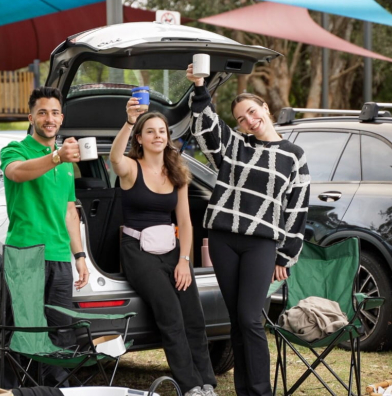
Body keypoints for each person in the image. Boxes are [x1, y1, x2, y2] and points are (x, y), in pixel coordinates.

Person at [187, 65, 310, 396]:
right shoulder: (235, 146)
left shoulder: (294, 156)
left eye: (252, 112)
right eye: (241, 118)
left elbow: (298, 209)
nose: (248, 121)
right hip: (224, 239)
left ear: (265, 109)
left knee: (250, 318)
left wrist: (285, 255)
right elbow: (207, 130)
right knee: (236, 320)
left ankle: (260, 392)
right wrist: (200, 88)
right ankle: (246, 391)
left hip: (262, 244)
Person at [109, 99, 217, 396]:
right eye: (151, 131)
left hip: (172, 251)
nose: (158, 135)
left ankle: (207, 382)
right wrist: (130, 121)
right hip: (137, 251)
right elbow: (114, 157)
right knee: (170, 314)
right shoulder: (131, 168)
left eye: (162, 131)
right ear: (140, 139)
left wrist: (184, 261)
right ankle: (190, 385)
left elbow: (185, 220)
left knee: (193, 315)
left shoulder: (177, 172)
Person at [0, 86, 88, 386]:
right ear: (31, 117)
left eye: (53, 113)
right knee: (22, 335)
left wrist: (80, 256)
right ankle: (11, 391)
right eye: (42, 113)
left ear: (61, 118)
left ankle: (55, 391)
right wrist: (56, 158)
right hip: (26, 255)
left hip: (60, 257)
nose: (48, 119)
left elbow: (69, 213)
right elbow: (16, 173)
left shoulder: (65, 164)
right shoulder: (16, 149)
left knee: (61, 334)